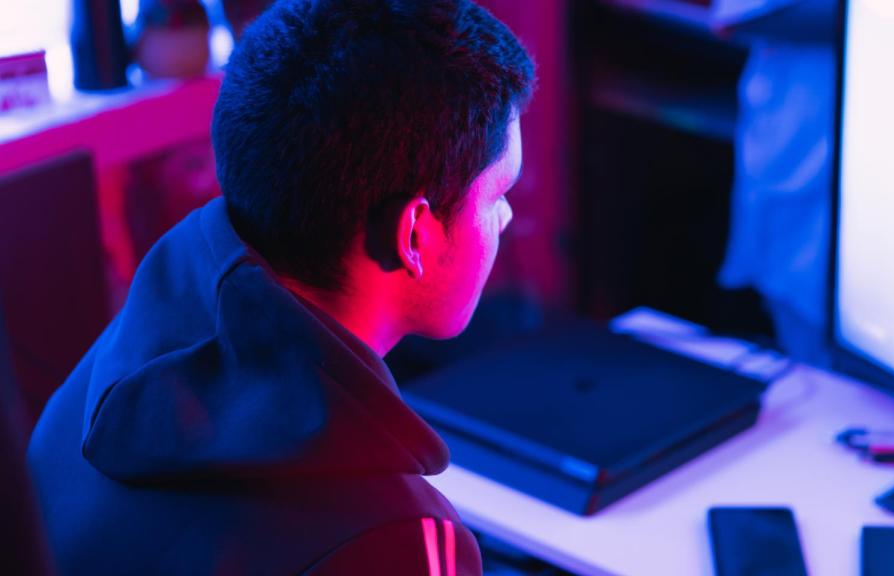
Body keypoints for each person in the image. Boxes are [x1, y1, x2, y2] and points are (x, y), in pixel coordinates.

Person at [27, 0, 534, 573]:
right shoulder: (393, 537)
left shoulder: (106, 376)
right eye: (497, 194)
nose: (506, 217)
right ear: (414, 235)